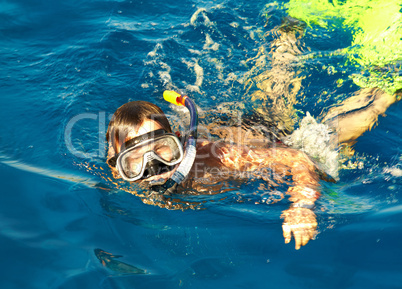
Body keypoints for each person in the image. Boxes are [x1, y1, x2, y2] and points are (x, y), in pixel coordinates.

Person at [106, 91, 330, 250]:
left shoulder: (213, 157)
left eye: (162, 149)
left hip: (261, 132)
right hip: (220, 127)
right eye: (135, 160)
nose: (153, 166)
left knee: (285, 102)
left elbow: (297, 157)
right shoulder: (119, 177)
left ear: (178, 141)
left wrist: (302, 205)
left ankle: (288, 34)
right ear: (119, 168)